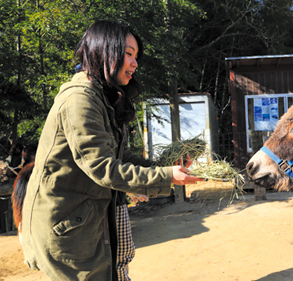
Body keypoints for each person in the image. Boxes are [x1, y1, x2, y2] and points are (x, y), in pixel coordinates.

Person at [21, 20, 203, 281]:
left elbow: (119, 158)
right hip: (68, 232)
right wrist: (166, 177)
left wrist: (163, 168)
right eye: (128, 54)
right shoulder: (80, 99)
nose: (135, 63)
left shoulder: (103, 97)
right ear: (104, 51)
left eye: (136, 56)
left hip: (86, 223)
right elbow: (102, 167)